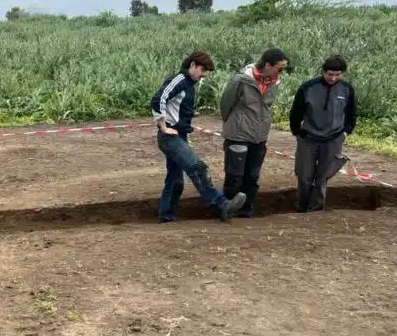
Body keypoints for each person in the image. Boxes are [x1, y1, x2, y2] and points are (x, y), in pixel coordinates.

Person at [150, 50, 247, 223]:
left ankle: (165, 217)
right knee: (198, 169)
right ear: (193, 65)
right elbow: (158, 99)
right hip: (170, 137)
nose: (202, 76)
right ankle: (221, 205)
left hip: (179, 136)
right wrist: (163, 127)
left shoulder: (188, 83)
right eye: (202, 71)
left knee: (175, 180)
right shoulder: (179, 80)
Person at [218, 48, 290, 217]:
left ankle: (246, 210)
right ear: (267, 65)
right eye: (280, 68)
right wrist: (235, 124)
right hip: (238, 134)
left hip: (260, 136)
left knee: (252, 176)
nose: (282, 72)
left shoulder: (274, 83)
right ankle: (227, 209)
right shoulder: (241, 80)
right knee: (234, 175)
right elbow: (225, 105)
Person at [289, 55, 357, 212]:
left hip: (333, 139)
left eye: (337, 75)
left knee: (323, 177)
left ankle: (316, 210)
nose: (333, 78)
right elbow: (296, 113)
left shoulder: (346, 89)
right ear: (323, 71)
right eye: (330, 74)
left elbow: (352, 113)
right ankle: (301, 208)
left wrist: (346, 132)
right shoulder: (308, 88)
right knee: (304, 176)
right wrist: (297, 132)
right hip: (308, 138)